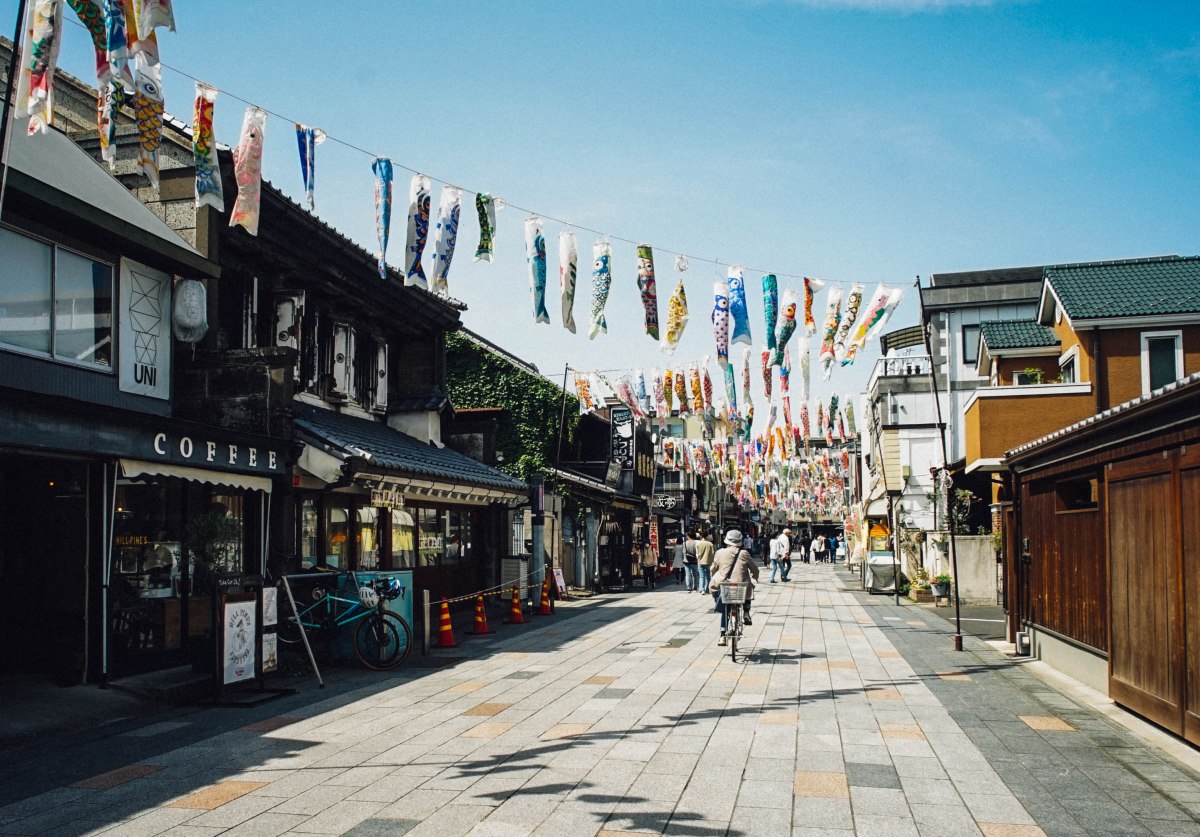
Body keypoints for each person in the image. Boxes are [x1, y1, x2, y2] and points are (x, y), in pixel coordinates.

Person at [709, 529, 760, 645]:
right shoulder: (744, 553)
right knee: (748, 584)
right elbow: (754, 568)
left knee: (725, 609)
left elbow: (713, 568)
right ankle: (746, 612)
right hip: (741, 586)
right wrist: (755, 576)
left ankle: (722, 635)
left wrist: (715, 571)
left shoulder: (720, 552)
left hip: (725, 585)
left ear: (726, 541)